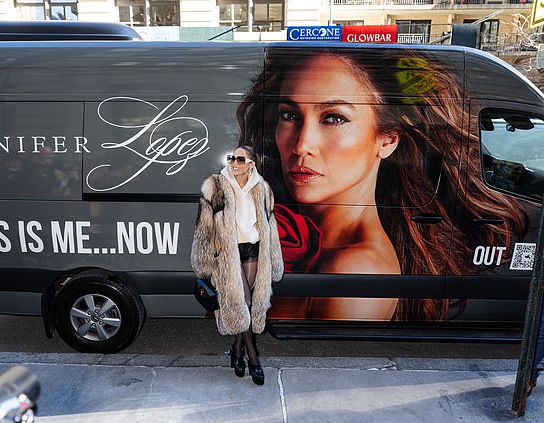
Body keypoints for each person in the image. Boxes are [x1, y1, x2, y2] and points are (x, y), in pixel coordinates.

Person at [236, 47, 528, 322]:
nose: (302, 145)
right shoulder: (307, 239)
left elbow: (326, 370)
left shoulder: (353, 270)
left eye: (334, 118)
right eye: (290, 115)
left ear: (386, 140)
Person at [191, 145, 283, 385]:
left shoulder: (263, 189)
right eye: (232, 158)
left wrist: (274, 258)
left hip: (253, 249)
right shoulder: (216, 186)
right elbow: (204, 227)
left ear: (251, 164)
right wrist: (204, 261)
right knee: (245, 303)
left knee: (249, 305)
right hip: (228, 253)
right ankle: (253, 358)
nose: (234, 162)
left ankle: (236, 349)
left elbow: (270, 225)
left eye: (240, 159)